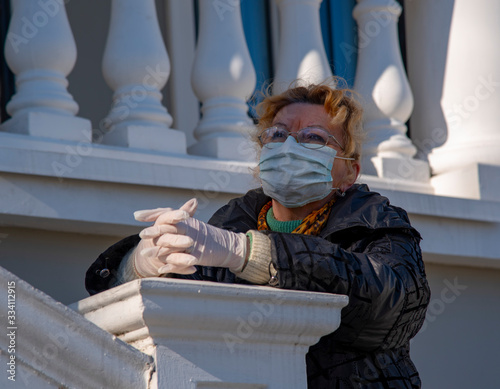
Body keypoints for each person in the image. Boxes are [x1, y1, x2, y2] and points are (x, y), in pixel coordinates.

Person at [86, 82, 430, 388]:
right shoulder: (232, 223)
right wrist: (139, 265)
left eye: (313, 138)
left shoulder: (375, 222)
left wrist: (253, 254)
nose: (290, 146)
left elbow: (394, 305)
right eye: (277, 135)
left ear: (349, 171)